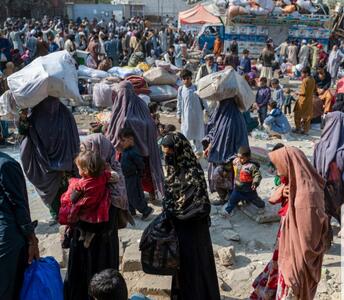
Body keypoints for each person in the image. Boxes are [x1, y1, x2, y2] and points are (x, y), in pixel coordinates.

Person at [251, 146, 328, 300]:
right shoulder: (294, 183)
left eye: (279, 166)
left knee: (291, 285)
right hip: (285, 246)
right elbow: (272, 199)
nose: (277, 171)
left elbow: (308, 240)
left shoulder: (307, 195)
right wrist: (282, 191)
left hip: (295, 254)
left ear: (290, 164)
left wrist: (295, 265)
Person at [161, 132, 221, 300]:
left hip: (194, 231)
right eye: (165, 153)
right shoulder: (171, 171)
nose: (167, 157)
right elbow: (169, 200)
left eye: (170, 153)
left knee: (196, 267)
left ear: (179, 151)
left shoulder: (193, 173)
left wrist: (178, 213)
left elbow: (202, 207)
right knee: (181, 269)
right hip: (177, 232)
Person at [19, 97, 80, 221]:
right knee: (56, 194)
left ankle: (66, 215)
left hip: (63, 163)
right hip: (46, 162)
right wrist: (23, 116)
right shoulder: (36, 115)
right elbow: (23, 131)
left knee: (68, 192)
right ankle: (58, 215)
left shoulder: (63, 114)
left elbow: (73, 137)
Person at [106, 81, 164, 202]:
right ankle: (135, 197)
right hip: (138, 148)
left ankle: (145, 197)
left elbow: (115, 130)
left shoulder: (138, 105)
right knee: (134, 175)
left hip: (134, 149)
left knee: (143, 173)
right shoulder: (127, 105)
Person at [0, 151, 40, 300]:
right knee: (12, 288)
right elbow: (20, 206)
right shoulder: (7, 164)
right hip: (8, 240)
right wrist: (32, 240)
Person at [203, 99, 249, 202]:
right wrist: (210, 145)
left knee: (227, 178)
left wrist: (238, 156)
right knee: (217, 177)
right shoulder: (220, 115)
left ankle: (231, 198)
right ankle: (223, 197)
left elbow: (241, 139)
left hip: (231, 157)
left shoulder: (236, 118)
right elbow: (214, 130)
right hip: (218, 153)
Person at [313, 112, 344, 244]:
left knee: (325, 215)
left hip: (322, 186)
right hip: (339, 188)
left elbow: (314, 167)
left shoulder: (319, 145)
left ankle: (325, 242)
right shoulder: (341, 150)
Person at [118, 127, 153, 220]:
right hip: (127, 177)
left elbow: (141, 164)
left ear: (130, 139)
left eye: (123, 140)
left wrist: (139, 173)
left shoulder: (133, 152)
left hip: (133, 177)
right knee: (128, 194)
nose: (121, 143)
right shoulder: (126, 151)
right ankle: (131, 211)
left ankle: (146, 210)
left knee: (134, 196)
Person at [225, 146, 265, 215]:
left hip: (249, 190)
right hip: (238, 189)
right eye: (239, 157)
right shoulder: (237, 162)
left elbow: (257, 175)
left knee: (256, 201)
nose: (240, 159)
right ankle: (227, 211)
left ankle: (262, 207)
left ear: (248, 157)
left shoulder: (251, 166)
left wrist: (255, 183)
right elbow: (229, 165)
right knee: (232, 200)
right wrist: (226, 169)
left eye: (242, 158)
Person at [177, 69, 205, 156]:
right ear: (181, 79)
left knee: (198, 133)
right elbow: (179, 102)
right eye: (184, 79)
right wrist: (178, 114)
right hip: (186, 116)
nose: (186, 80)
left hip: (197, 115)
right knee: (187, 134)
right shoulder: (181, 89)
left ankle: (199, 153)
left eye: (188, 78)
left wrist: (209, 111)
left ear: (191, 78)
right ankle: (189, 152)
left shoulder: (196, 87)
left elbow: (203, 100)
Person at [293, 67, 316, 134]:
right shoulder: (313, 79)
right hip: (309, 100)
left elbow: (303, 92)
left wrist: (297, 92)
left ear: (306, 73)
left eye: (302, 73)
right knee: (307, 116)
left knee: (297, 115)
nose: (301, 75)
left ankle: (298, 129)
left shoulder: (305, 80)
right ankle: (305, 130)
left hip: (302, 101)